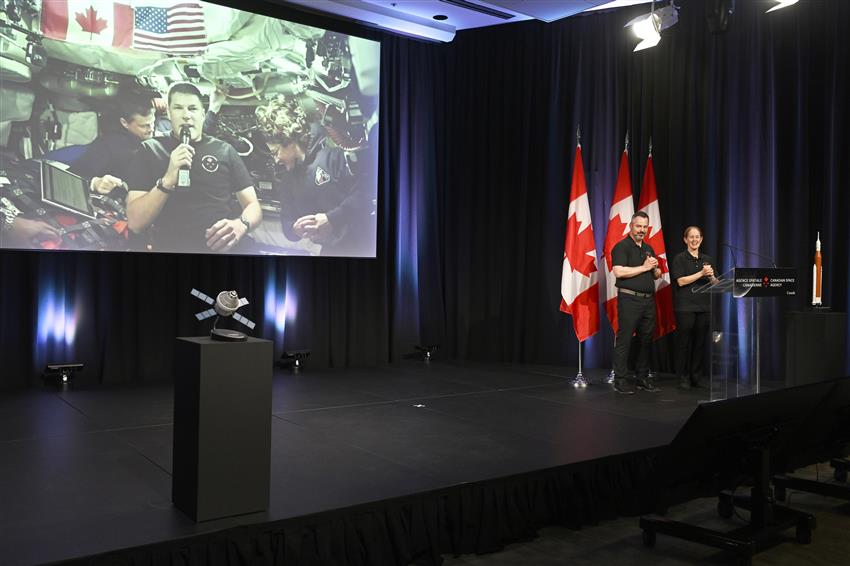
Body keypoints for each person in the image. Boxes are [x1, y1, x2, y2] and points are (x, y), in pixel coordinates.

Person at [125, 83, 262, 254]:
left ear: (203, 113)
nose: (186, 115)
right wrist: (167, 180)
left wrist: (241, 225)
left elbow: (253, 206)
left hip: (219, 251)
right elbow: (135, 223)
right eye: (178, 108)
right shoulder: (149, 150)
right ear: (168, 113)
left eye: (192, 108)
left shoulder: (224, 150)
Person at [254, 95, 374, 256]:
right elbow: (287, 224)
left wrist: (332, 220)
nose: (276, 160)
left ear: (288, 141)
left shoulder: (334, 157)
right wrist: (294, 229)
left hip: (363, 244)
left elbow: (365, 193)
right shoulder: (287, 181)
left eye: (276, 152)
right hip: (329, 251)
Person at [611, 211, 662, 394]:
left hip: (648, 301)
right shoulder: (621, 247)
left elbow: (654, 273)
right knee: (624, 340)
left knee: (645, 341)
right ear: (631, 226)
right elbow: (619, 272)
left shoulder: (648, 249)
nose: (641, 230)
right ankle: (620, 380)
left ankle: (642, 378)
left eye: (644, 227)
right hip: (629, 299)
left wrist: (655, 271)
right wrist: (645, 267)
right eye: (638, 226)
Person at [70, 95, 155, 197]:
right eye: (144, 126)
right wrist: (95, 183)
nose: (151, 129)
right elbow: (73, 175)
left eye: (152, 123)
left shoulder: (160, 137)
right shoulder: (108, 146)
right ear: (124, 123)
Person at [670, 226, 717, 389]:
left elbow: (716, 284)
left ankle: (695, 376)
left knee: (699, 343)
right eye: (691, 237)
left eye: (697, 237)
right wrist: (701, 274)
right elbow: (680, 281)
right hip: (685, 307)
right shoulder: (679, 259)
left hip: (704, 306)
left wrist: (711, 276)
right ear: (685, 239)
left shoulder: (708, 259)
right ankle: (682, 377)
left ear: (702, 239)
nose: (694, 240)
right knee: (684, 343)